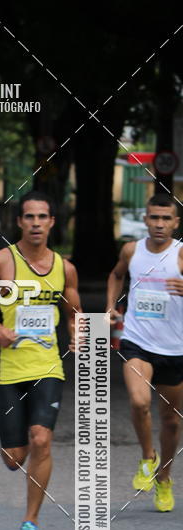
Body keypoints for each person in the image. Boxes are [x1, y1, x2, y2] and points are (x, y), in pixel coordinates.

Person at [0, 190, 81, 530]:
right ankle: (23, 451)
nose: (36, 223)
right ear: (19, 222)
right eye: (29, 217)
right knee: (13, 459)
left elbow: (74, 313)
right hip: (9, 368)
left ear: (52, 222)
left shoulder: (65, 268)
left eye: (42, 217)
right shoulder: (1, 262)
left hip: (48, 367)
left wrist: (77, 334)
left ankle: (30, 522)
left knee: (41, 439)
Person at [106, 193, 183, 511]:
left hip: (175, 348)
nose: (159, 224)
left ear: (176, 223)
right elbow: (116, 275)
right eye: (154, 217)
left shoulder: (181, 254)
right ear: (145, 219)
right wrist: (110, 306)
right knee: (139, 401)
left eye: (166, 219)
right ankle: (148, 457)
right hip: (137, 341)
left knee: (171, 421)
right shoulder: (132, 250)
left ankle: (164, 478)